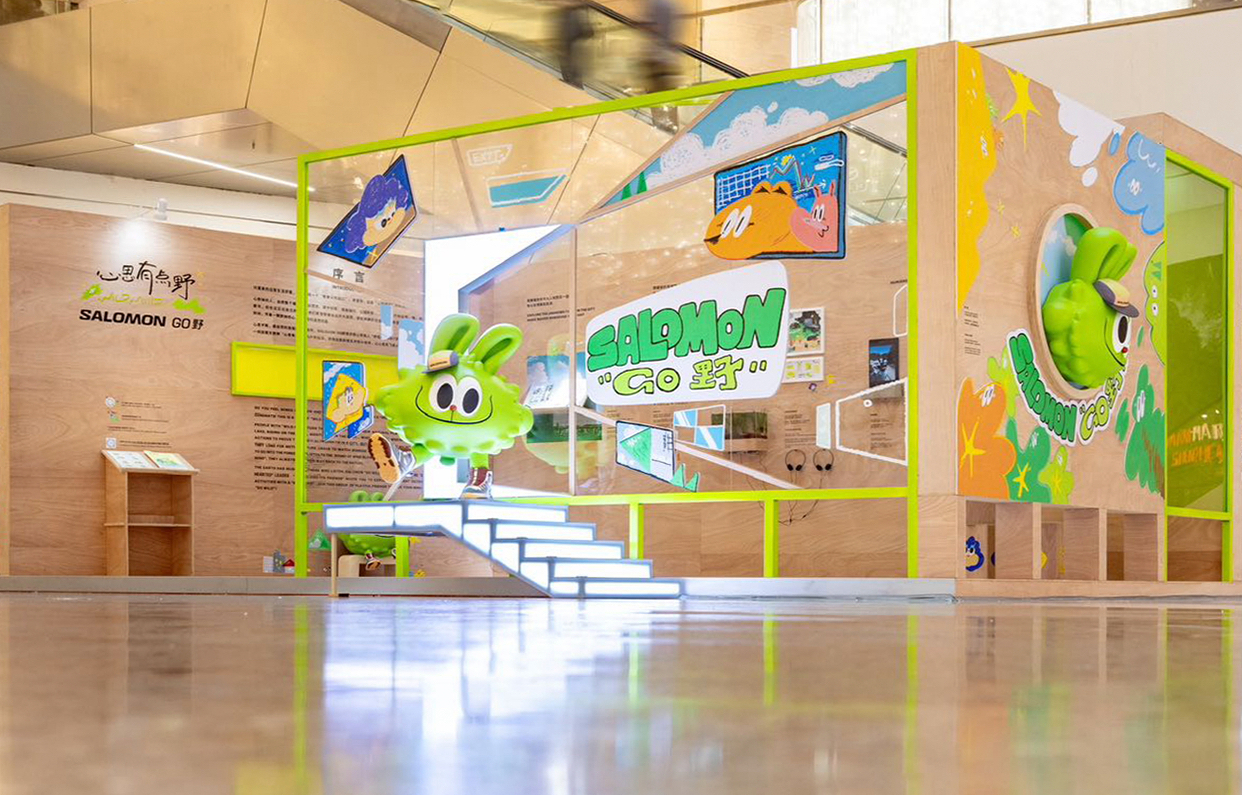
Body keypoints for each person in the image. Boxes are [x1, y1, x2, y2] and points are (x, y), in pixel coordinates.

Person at [640, 0, 680, 131]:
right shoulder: (663, 5)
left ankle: (667, 132)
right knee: (664, 107)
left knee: (661, 106)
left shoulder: (660, 5)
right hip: (663, 63)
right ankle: (668, 131)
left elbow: (658, 30)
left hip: (660, 64)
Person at [556, 0, 593, 89]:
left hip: (574, 17)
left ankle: (574, 84)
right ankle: (572, 83)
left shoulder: (575, 14)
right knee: (568, 54)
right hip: (573, 17)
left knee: (569, 54)